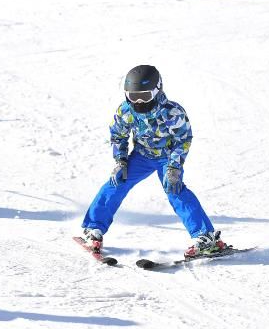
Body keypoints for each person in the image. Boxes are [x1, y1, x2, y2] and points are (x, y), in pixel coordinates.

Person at [79, 65, 227, 258]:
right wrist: (121, 161)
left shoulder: (171, 112)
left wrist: (174, 167)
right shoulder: (126, 111)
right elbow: (118, 136)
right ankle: (93, 230)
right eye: (133, 97)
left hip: (167, 157)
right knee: (115, 184)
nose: (139, 102)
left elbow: (183, 139)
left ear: (157, 91)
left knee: (174, 189)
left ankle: (205, 237)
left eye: (145, 96)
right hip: (141, 156)